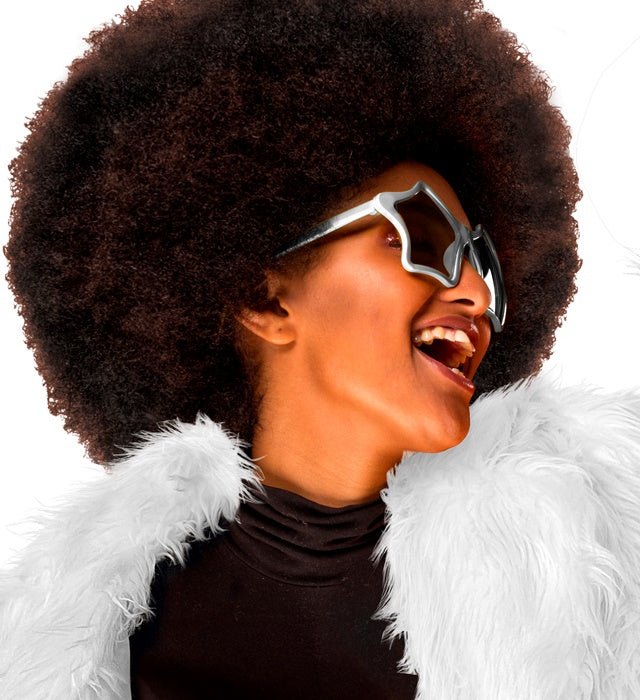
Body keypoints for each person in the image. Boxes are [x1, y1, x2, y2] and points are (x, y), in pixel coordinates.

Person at [1, 0, 639, 698]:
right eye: (424, 240)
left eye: (483, 263)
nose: (478, 295)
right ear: (266, 300)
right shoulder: (86, 643)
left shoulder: (587, 588)